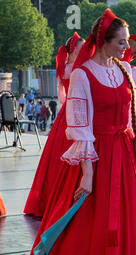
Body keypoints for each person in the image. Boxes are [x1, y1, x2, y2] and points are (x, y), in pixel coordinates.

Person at [14, 9, 136, 255]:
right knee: (86, 224)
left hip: (124, 155)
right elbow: (80, 124)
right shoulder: (83, 75)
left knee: (132, 222)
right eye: (121, 42)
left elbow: (134, 121)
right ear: (105, 40)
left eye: (126, 43)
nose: (126, 47)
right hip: (97, 156)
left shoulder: (124, 71)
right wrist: (88, 171)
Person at [24, 32, 85, 217]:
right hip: (74, 112)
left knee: (57, 157)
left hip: (67, 112)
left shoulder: (65, 68)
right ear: (73, 50)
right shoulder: (80, 68)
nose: (85, 51)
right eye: (81, 48)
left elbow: (61, 96)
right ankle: (65, 199)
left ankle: (57, 198)